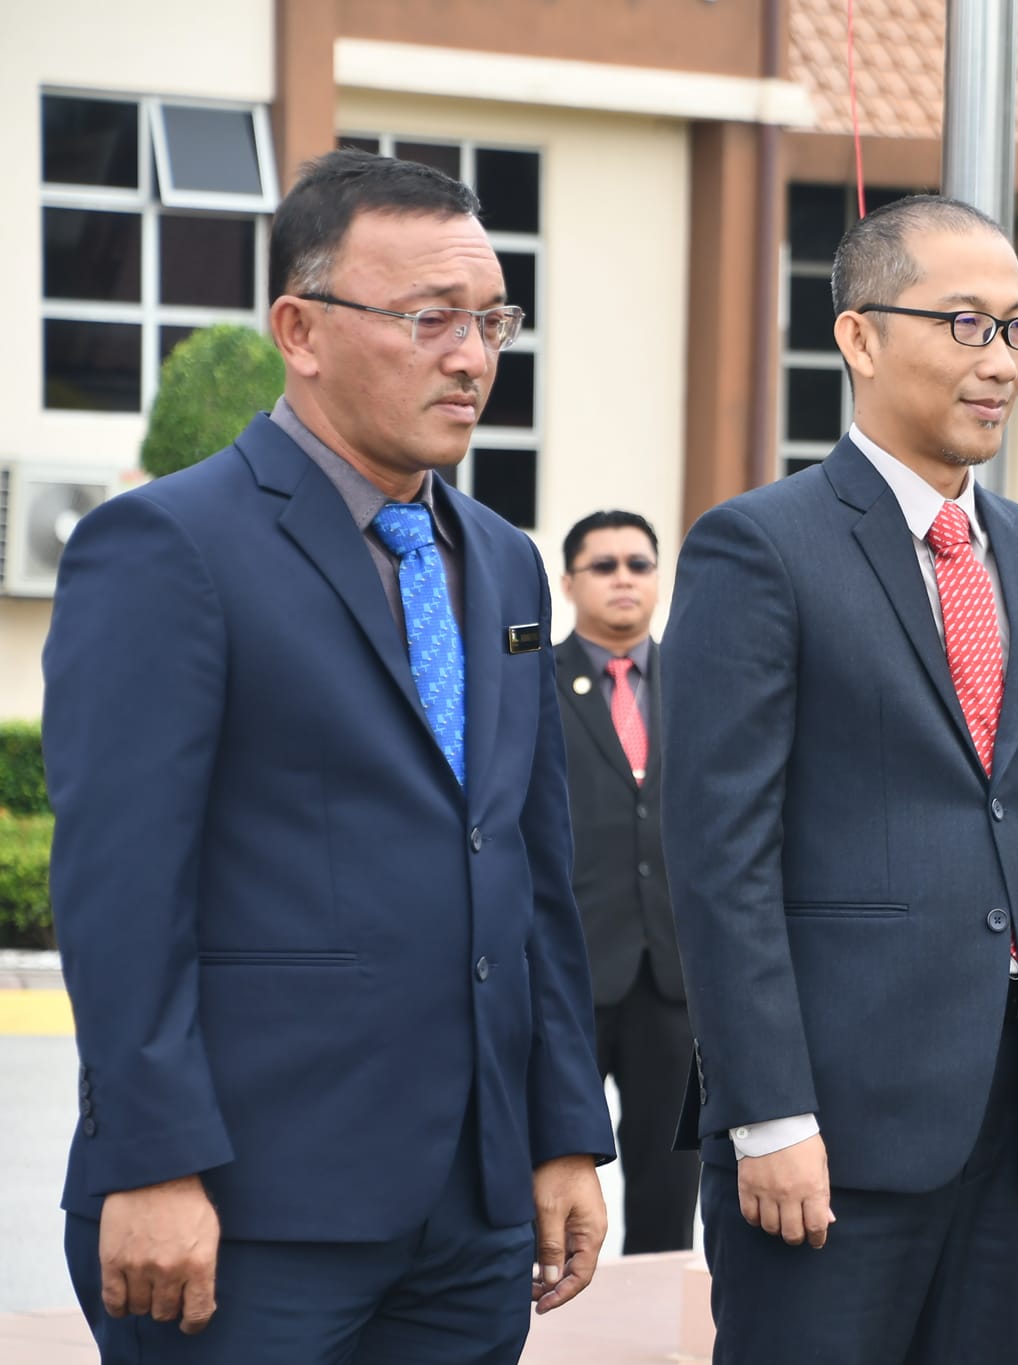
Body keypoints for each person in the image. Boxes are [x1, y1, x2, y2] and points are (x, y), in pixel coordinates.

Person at [43, 148, 614, 1364]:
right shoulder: (165, 547)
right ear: (298, 329)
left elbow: (531, 867)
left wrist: (563, 1131)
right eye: (428, 320)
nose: (471, 357)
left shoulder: (505, 560)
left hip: (469, 1217)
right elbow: (119, 888)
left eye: (491, 319)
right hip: (244, 1213)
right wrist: (152, 1162)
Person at [661, 194, 1018, 1365]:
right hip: (829, 1129)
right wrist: (766, 1112)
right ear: (861, 337)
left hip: (1012, 1117)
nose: (999, 362)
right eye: (965, 325)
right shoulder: (759, 547)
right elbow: (721, 857)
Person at [555, 509, 701, 1253]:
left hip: (676, 979)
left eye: (639, 564)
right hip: (566, 974)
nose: (623, 578)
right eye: (604, 564)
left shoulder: (704, 681)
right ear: (569, 580)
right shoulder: (533, 685)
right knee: (544, 1182)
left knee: (671, 1185)